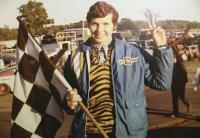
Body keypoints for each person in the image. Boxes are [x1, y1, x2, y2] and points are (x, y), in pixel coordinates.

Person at [64, 1, 173, 138]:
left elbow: (162, 83)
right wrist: (68, 102)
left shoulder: (134, 52)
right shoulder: (74, 56)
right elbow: (65, 95)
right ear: (88, 24)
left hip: (128, 133)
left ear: (114, 26)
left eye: (106, 24)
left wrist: (162, 47)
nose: (99, 29)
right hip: (88, 133)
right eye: (94, 24)